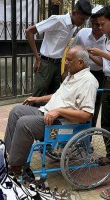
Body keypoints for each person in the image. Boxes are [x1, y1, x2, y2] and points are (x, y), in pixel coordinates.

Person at [4, 45, 98, 175]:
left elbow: (87, 115)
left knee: (24, 123)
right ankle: (11, 156)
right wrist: (37, 99)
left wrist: (59, 111)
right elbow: (58, 95)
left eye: (69, 60)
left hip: (63, 122)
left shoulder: (88, 82)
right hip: (48, 112)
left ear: (81, 62)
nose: (65, 62)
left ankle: (17, 167)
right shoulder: (72, 75)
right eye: (66, 59)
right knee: (16, 111)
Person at [25, 0, 92, 100]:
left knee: (55, 96)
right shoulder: (57, 20)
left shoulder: (73, 27)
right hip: (46, 64)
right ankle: (29, 114)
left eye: (85, 20)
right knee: (38, 95)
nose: (83, 23)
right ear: (74, 13)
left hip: (58, 64)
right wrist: (37, 58)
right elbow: (29, 31)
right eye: (82, 19)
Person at [86, 6, 110, 199]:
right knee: (107, 122)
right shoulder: (108, 39)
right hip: (108, 80)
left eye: (102, 24)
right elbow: (105, 65)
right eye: (97, 24)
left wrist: (100, 53)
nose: (99, 28)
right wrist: (91, 56)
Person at [70, 5, 105, 127]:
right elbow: (72, 50)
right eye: (94, 24)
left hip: (99, 75)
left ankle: (88, 136)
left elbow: (103, 63)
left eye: (100, 24)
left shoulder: (107, 38)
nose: (98, 27)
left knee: (93, 106)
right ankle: (78, 133)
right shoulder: (83, 33)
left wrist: (88, 54)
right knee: (78, 103)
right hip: (81, 73)